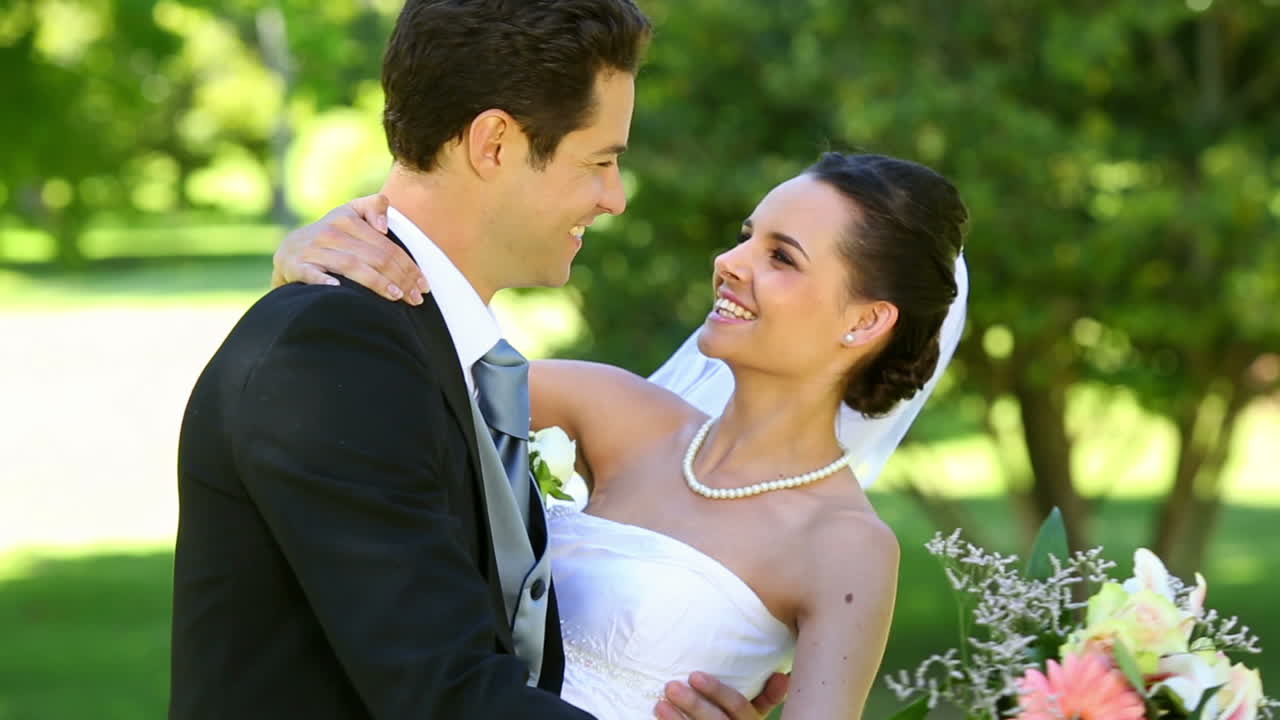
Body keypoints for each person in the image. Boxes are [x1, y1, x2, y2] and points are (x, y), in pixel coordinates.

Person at [171, 1, 780, 718]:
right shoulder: (334, 352)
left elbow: (503, 655)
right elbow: (446, 694)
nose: (613, 198)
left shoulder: (422, 344)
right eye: (600, 161)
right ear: (494, 143)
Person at [275, 150, 970, 718]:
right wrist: (309, 266)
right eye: (745, 237)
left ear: (866, 322)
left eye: (781, 257)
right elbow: (366, 385)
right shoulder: (612, 408)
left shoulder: (846, 547)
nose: (731, 263)